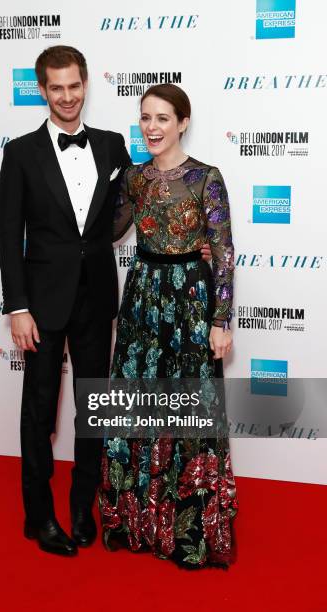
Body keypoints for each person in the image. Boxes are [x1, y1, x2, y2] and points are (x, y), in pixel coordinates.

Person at [0, 44, 214, 556]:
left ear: (86, 83)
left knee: (93, 410)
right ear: (42, 89)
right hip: (42, 304)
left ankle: (80, 509)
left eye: (75, 85)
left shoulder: (115, 146)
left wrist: (193, 239)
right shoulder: (19, 153)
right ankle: (38, 516)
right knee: (39, 412)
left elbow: (144, 203)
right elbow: (9, 235)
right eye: (56, 87)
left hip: (97, 299)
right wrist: (17, 307)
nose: (67, 96)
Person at [98, 84, 238, 569]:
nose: (152, 127)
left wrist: (221, 320)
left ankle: (188, 531)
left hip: (189, 301)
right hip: (142, 300)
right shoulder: (134, 179)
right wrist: (40, 206)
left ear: (182, 122)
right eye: (145, 118)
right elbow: (105, 229)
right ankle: (138, 522)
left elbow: (222, 251)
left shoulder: (205, 178)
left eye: (162, 118)